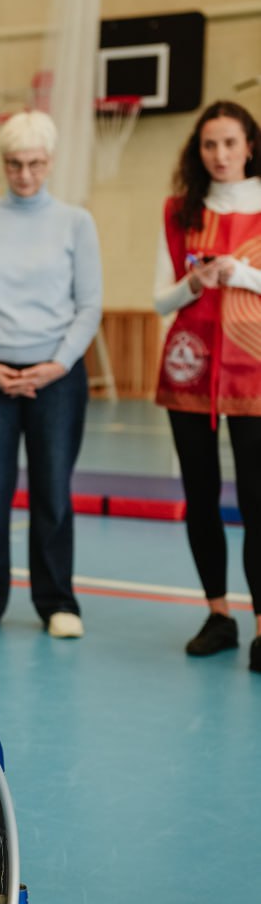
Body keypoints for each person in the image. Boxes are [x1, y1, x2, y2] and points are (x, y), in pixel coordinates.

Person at [0, 110, 103, 639]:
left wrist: (57, 364)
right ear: (3, 164)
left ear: (50, 162)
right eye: (14, 164)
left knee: (52, 492)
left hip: (56, 377)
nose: (25, 174)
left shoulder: (76, 222)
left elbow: (89, 304)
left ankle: (58, 601)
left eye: (35, 163)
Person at [153, 99, 261, 672]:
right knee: (200, 496)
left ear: (249, 145)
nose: (220, 155)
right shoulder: (179, 211)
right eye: (209, 145)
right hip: (189, 369)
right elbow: (160, 298)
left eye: (230, 143)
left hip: (256, 371)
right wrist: (194, 282)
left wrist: (238, 273)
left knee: (257, 499)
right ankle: (218, 614)